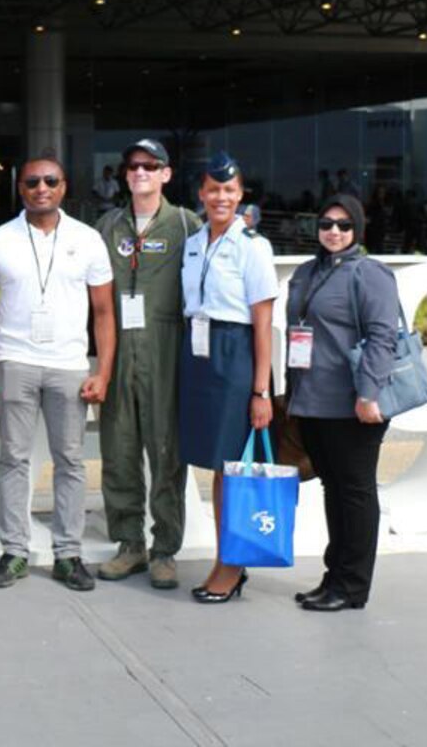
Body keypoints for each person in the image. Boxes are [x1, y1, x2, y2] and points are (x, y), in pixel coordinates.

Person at [0, 153, 115, 590]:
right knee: (13, 458)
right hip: (15, 361)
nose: (41, 189)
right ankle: (14, 551)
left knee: (70, 461)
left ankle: (68, 555)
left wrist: (103, 371)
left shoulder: (88, 239)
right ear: (21, 188)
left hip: (70, 365)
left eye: (50, 180)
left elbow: (105, 312)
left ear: (64, 186)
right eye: (32, 182)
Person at [92, 139, 201, 590]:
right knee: (117, 447)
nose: (140, 172)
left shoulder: (186, 225)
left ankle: (164, 549)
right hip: (117, 347)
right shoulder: (106, 227)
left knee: (165, 449)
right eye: (132, 165)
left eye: (149, 166)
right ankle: (129, 544)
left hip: (166, 347)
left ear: (166, 174)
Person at [284, 194, 400, 611]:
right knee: (334, 491)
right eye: (326, 223)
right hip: (312, 401)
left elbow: (383, 337)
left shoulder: (369, 274)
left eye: (344, 225)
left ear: (358, 230)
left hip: (352, 405)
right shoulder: (308, 271)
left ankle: (353, 587)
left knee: (355, 492)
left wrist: (368, 394)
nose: (334, 231)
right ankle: (334, 577)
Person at [179, 152, 279, 604]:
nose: (221, 197)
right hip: (199, 358)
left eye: (230, 190)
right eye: (213, 189)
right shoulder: (195, 241)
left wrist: (261, 390)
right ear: (201, 194)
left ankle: (231, 563)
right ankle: (227, 557)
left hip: (234, 355)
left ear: (241, 196)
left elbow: (263, 324)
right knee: (218, 465)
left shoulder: (252, 246)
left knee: (232, 468)